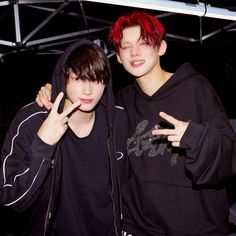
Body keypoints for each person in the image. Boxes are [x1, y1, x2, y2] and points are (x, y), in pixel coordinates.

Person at [35, 11, 236, 236]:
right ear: (118, 57)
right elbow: (83, 114)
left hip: (199, 228)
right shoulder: (119, 103)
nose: (135, 52)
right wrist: (56, 89)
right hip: (140, 229)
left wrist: (197, 139)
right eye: (126, 46)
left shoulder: (195, 88)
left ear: (161, 48)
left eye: (144, 43)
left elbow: (230, 157)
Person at [0, 39, 128, 236]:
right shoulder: (32, 121)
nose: (88, 90)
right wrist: (43, 144)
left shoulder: (117, 119)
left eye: (96, 79)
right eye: (78, 78)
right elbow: (11, 197)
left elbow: (126, 183)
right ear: (63, 77)